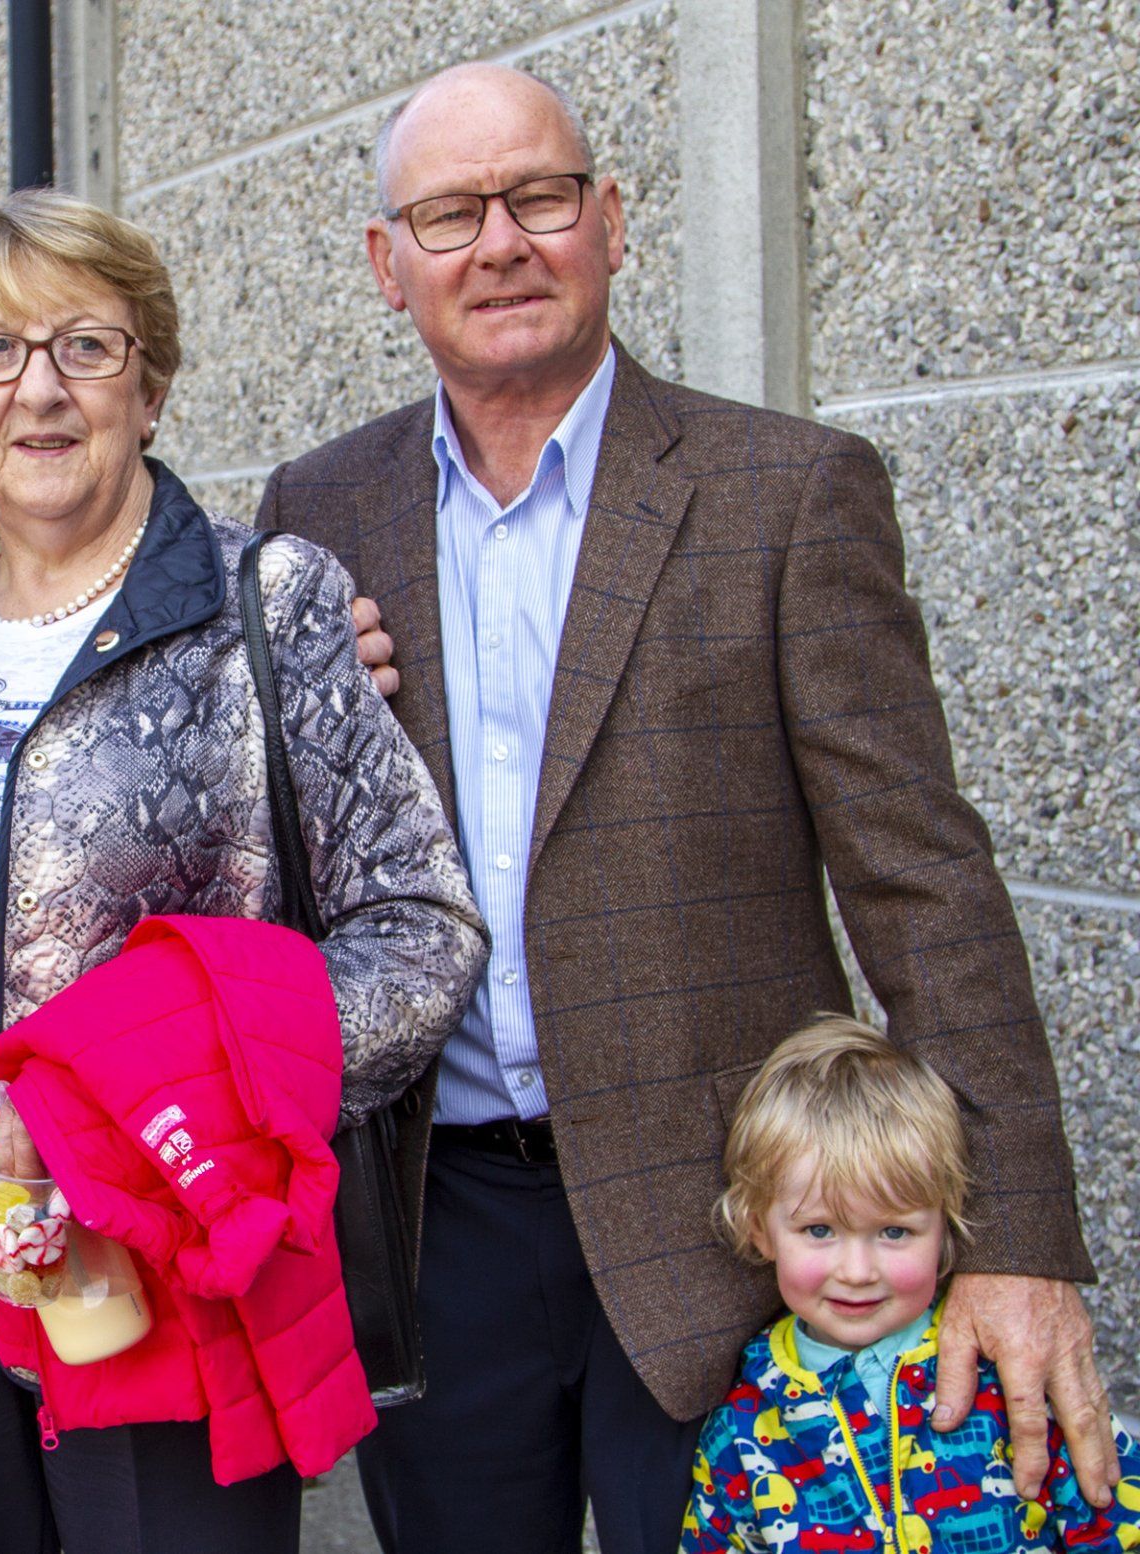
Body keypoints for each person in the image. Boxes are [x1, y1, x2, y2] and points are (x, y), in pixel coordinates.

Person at [255, 60, 1114, 1554]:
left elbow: (925, 878)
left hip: (733, 1224)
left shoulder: (786, 490)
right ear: (389, 267)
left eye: (540, 196)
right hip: (430, 1221)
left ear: (612, 221)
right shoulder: (319, 513)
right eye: (451, 213)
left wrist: (1020, 1236)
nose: (502, 241)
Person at [0, 186, 488, 1554]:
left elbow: (421, 931)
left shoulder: (266, 603)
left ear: (152, 381)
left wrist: (186, 1099)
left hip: (164, 1281)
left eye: (87, 346)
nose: (38, 389)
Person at [681, 1016, 1140, 1553]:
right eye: (819, 1230)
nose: (857, 1270)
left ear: (946, 1227)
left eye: (894, 1231)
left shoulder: (1006, 1374)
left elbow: (1116, 1525)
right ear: (760, 1230)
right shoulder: (742, 1429)